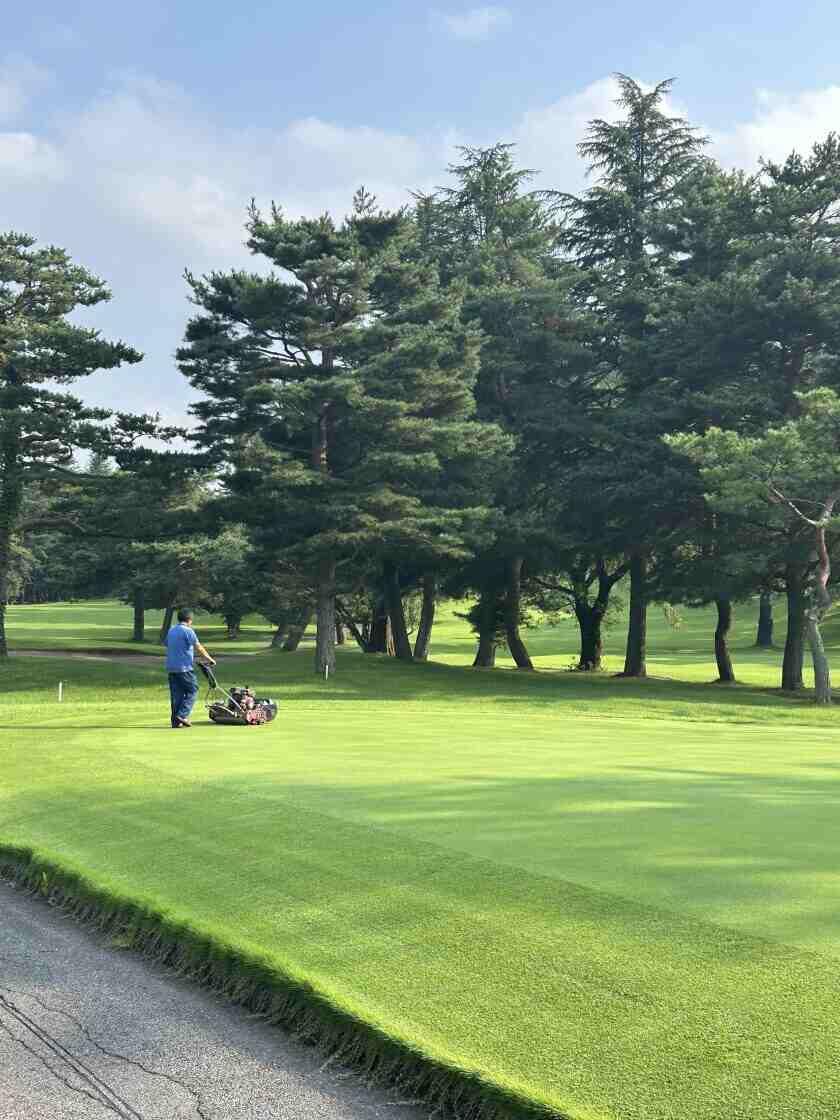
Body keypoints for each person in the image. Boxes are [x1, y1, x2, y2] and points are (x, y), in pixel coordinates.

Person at [164, 608, 215, 728]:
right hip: (184, 668)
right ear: (190, 620)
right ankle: (182, 715)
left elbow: (167, 643)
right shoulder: (188, 631)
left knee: (177, 695)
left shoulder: (171, 630)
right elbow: (198, 647)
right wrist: (210, 659)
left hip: (171, 668)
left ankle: (176, 722)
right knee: (193, 690)